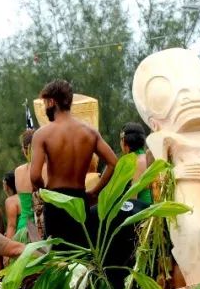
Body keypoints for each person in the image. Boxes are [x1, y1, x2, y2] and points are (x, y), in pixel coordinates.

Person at [30, 79, 119, 248]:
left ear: (51, 101)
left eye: (44, 103)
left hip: (56, 202)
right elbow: (113, 163)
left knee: (61, 261)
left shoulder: (43, 134)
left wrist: (43, 192)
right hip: (80, 200)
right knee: (82, 257)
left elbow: (34, 175)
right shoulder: (90, 132)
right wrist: (94, 192)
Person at [13, 129, 42, 241]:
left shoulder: (18, 171)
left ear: (25, 149)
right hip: (40, 229)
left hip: (23, 228)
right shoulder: (45, 169)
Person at [119, 122, 155, 202]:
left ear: (124, 141)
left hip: (144, 210)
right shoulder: (146, 157)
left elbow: (133, 197)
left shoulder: (138, 162)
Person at [2, 172, 21, 241]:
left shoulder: (10, 201)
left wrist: (7, 243)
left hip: (20, 234)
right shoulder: (25, 197)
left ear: (6, 185)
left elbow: (11, 226)